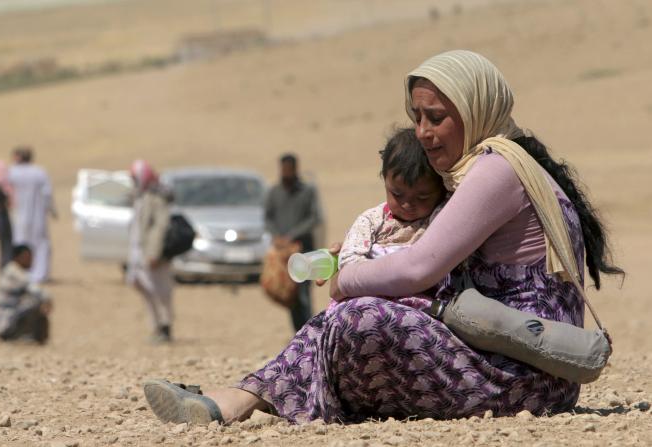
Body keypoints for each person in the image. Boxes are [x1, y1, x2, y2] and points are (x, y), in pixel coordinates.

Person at [142, 50, 624, 424]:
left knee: (359, 318)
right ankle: (237, 400)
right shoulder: (496, 164)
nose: (424, 132)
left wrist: (348, 277)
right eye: (417, 117)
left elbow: (419, 269)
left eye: (437, 117)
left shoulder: (498, 170)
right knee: (357, 319)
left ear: (476, 108)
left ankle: (237, 400)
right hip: (500, 354)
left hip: (526, 374)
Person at [329, 127, 446, 312]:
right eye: (397, 194)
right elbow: (350, 260)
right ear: (385, 180)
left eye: (422, 197)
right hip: (366, 297)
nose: (408, 205)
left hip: (419, 305)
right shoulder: (371, 220)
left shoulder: (441, 217)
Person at [264, 153, 321, 331]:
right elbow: (268, 218)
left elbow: (314, 218)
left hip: (304, 250)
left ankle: (310, 331)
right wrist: (277, 237)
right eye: (284, 169)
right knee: (289, 294)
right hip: (283, 253)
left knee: (304, 294)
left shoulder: (307, 191)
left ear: (295, 169)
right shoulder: (274, 192)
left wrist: (292, 236)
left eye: (289, 169)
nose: (286, 172)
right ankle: (297, 334)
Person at [126, 160, 174, 344]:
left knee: (161, 291)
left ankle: (165, 327)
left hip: (152, 254)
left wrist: (154, 253)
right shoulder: (140, 196)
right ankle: (155, 326)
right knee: (141, 286)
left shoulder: (156, 197)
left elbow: (160, 227)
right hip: (138, 253)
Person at [8, 146, 57, 284]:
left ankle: (20, 274)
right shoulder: (39, 172)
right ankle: (40, 274)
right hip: (38, 216)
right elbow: (47, 194)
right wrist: (52, 210)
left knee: (21, 244)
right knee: (40, 245)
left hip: (20, 216)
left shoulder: (13, 172)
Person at [0, 244, 52, 344]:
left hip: (7, 319)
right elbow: (38, 292)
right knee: (34, 303)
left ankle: (26, 335)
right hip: (3, 322)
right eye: (27, 257)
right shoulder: (14, 272)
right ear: (18, 258)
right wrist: (48, 300)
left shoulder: (12, 270)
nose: (31, 261)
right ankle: (22, 335)